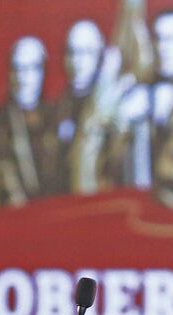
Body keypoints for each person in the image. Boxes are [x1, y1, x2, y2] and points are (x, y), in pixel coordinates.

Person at [108, 9, 173, 206]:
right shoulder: (136, 94)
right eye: (160, 39)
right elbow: (112, 164)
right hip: (137, 210)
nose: (165, 47)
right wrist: (123, 122)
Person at [0, 36, 56, 210]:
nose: (23, 78)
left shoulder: (57, 117)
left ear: (43, 72)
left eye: (32, 68)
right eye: (17, 69)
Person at [50, 20, 105, 195]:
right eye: (72, 52)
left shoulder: (109, 109)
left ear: (100, 56)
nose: (77, 61)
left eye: (87, 52)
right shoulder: (56, 109)